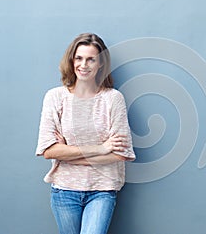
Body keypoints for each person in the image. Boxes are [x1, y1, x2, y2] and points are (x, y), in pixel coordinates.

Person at [35, 33, 135, 234]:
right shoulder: (56, 97)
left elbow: (122, 153)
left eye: (91, 59)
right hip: (64, 191)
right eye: (79, 58)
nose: (84, 65)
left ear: (101, 64)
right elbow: (48, 150)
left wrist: (67, 155)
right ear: (71, 61)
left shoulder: (113, 99)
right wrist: (101, 148)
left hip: (102, 190)